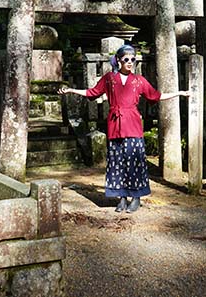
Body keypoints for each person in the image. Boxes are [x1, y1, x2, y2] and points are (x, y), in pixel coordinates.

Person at [58, 44, 190, 213]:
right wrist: (71, 90)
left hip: (133, 125)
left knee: (134, 161)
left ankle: (135, 198)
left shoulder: (139, 80)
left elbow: (156, 96)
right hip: (115, 125)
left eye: (133, 59)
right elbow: (92, 93)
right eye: (126, 59)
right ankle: (121, 198)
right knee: (116, 162)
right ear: (118, 60)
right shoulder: (108, 79)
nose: (130, 62)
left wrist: (179, 93)